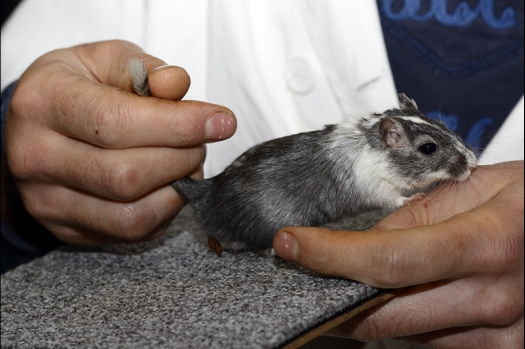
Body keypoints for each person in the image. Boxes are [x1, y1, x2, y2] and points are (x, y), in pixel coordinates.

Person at [1, 1, 523, 348]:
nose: (459, 162)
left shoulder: (378, 145)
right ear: (391, 135)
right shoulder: (367, 163)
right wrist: (22, 147)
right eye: (433, 151)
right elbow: (32, 94)